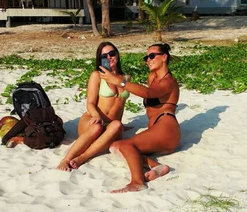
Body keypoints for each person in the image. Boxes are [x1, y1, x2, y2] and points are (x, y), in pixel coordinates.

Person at [99, 43, 180, 193]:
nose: (148, 60)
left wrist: (120, 82)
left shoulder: (169, 81)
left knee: (126, 146)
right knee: (116, 146)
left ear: (164, 57)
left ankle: (137, 182)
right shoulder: (152, 77)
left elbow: (149, 94)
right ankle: (156, 166)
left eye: (151, 56)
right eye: (146, 57)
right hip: (155, 129)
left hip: (166, 127)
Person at [56, 42, 130, 171]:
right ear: (100, 59)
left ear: (117, 55)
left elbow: (121, 104)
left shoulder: (126, 78)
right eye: (104, 56)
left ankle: (82, 157)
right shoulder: (97, 75)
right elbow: (90, 103)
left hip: (110, 126)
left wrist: (122, 124)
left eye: (112, 54)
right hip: (92, 120)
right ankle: (67, 159)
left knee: (117, 124)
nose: (109, 57)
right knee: (96, 127)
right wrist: (96, 115)